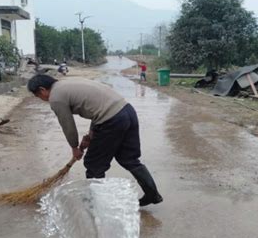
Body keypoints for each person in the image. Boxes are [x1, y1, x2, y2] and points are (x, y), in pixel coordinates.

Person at [27, 74, 163, 206]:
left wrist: (74, 147)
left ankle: (95, 203)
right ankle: (152, 194)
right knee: (129, 159)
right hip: (127, 112)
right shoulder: (67, 84)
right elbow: (96, 107)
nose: (41, 98)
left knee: (93, 165)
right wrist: (90, 135)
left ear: (42, 90)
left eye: (38, 96)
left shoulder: (55, 98)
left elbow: (67, 124)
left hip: (111, 120)